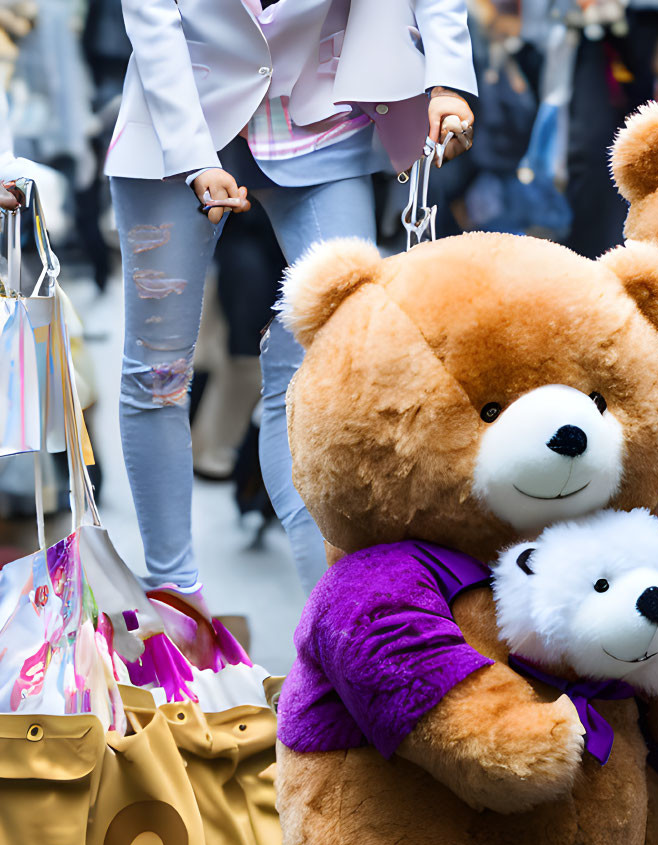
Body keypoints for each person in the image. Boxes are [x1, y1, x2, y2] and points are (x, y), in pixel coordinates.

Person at [105, 0, 476, 604]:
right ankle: (173, 599)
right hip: (178, 117)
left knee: (331, 375)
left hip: (319, 116)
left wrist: (448, 80)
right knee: (157, 373)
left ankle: (337, 619)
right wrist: (195, 158)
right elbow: (152, 18)